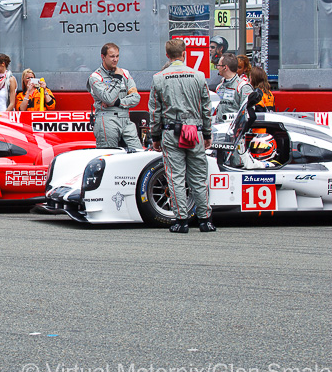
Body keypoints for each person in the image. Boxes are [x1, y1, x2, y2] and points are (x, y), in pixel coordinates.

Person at [149, 39, 214, 233]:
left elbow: (155, 111)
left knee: (175, 177)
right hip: (195, 131)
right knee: (199, 177)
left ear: (167, 56)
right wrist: (208, 132)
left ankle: (181, 221)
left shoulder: (159, 78)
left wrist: (155, 136)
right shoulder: (199, 76)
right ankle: (205, 220)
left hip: (171, 131)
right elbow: (206, 109)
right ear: (184, 54)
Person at [88, 43, 143, 150]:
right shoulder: (95, 77)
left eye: (117, 56)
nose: (115, 59)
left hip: (126, 119)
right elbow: (108, 99)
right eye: (112, 56)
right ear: (103, 57)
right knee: (110, 156)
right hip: (106, 119)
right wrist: (117, 78)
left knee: (139, 152)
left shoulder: (125, 73)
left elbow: (136, 98)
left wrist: (118, 102)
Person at [214, 53, 253, 122]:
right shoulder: (219, 87)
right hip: (219, 129)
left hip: (235, 130)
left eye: (219, 65)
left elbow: (247, 115)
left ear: (225, 67)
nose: (217, 67)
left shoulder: (243, 87)